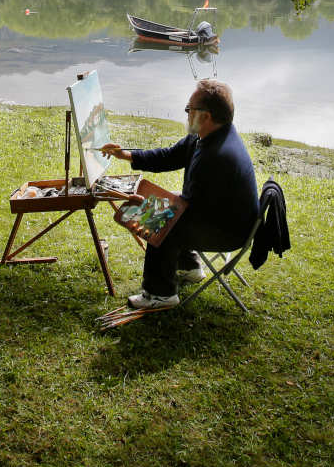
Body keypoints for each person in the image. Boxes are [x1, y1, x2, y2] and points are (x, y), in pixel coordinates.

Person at [101, 78, 259, 310]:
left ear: (205, 116)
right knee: (166, 206)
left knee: (160, 220)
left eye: (189, 109)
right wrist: (127, 156)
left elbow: (188, 211)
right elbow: (169, 156)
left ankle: (160, 294)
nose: (186, 113)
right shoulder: (206, 137)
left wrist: (148, 209)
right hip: (220, 218)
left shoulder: (216, 156)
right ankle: (190, 267)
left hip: (230, 232)